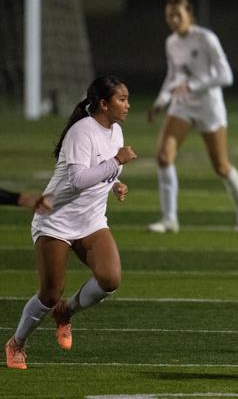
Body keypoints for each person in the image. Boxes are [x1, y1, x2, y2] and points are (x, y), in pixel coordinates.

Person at [5, 75, 138, 371]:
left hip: (90, 221)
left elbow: (100, 169)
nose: (128, 105)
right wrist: (117, 162)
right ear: (103, 104)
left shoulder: (114, 130)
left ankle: (66, 312)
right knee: (50, 293)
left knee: (110, 280)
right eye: (122, 99)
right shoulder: (81, 132)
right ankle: (16, 343)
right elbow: (78, 180)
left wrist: (115, 183)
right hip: (56, 220)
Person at [146, 0, 238, 233]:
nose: (174, 20)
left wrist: (193, 86)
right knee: (164, 157)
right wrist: (160, 101)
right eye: (169, 16)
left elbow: (226, 76)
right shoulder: (171, 42)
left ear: (189, 15)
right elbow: (173, 76)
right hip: (183, 105)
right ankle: (169, 219)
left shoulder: (206, 39)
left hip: (209, 106)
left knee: (221, 166)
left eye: (178, 15)